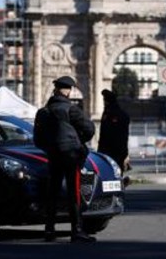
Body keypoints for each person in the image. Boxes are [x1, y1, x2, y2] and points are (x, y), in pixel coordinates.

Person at [34, 76, 96, 243]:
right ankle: (76, 231)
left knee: (52, 192)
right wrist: (78, 140)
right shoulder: (72, 110)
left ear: (55, 90)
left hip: (53, 156)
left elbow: (37, 139)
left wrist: (50, 148)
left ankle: (49, 230)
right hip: (71, 155)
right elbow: (89, 129)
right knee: (73, 192)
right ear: (68, 91)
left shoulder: (43, 112)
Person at [97, 89, 130, 175]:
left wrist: (100, 150)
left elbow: (104, 135)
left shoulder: (108, 114)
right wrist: (125, 152)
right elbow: (125, 136)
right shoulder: (123, 114)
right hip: (120, 150)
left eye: (104, 100)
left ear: (107, 101)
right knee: (118, 174)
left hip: (108, 150)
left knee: (107, 174)